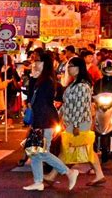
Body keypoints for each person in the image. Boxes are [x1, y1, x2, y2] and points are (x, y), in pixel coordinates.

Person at [23, 53, 79, 191]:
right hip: (39, 120)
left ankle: (68, 172)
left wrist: (34, 81)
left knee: (42, 152)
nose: (34, 63)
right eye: (33, 61)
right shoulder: (39, 79)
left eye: (37, 61)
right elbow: (30, 100)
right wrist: (32, 80)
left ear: (44, 63)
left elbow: (42, 102)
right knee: (34, 152)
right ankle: (38, 182)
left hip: (45, 120)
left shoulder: (47, 81)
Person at [46, 56, 105, 186]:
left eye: (71, 66)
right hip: (72, 122)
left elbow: (80, 106)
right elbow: (68, 104)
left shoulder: (82, 85)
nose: (69, 68)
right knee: (82, 148)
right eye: (69, 66)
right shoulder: (75, 83)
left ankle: (52, 175)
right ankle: (99, 175)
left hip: (78, 123)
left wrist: (76, 125)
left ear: (79, 68)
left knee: (69, 148)